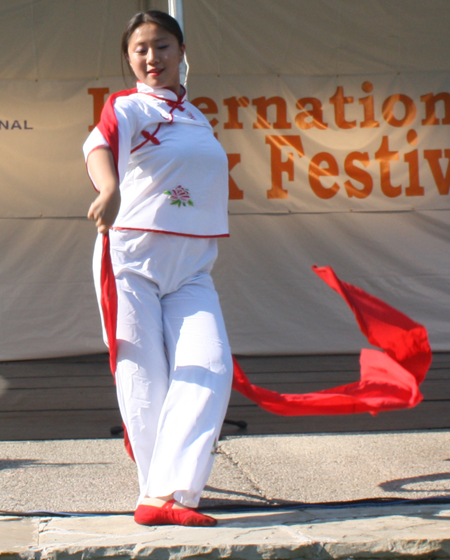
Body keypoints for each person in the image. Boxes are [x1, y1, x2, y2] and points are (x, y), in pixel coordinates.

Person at [83, 10, 233, 527]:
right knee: (144, 380)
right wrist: (109, 188)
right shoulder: (126, 107)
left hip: (192, 270)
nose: (153, 57)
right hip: (132, 259)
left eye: (163, 46)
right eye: (141, 49)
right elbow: (97, 145)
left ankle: (168, 491)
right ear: (129, 58)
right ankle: (164, 497)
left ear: (182, 52)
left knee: (211, 368)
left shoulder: (197, 116)